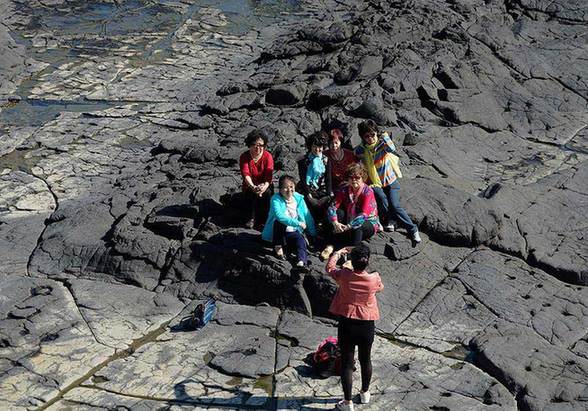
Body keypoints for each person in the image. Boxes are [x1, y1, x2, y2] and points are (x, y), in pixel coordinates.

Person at [326, 245, 384, 411]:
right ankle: (365, 393)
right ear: (367, 261)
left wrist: (337, 254)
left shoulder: (344, 275)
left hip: (347, 323)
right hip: (367, 324)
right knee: (366, 359)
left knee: (347, 363)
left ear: (352, 261)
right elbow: (380, 288)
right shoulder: (374, 278)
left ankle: (347, 402)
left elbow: (329, 269)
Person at [354, 120, 421, 243]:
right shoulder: (361, 150)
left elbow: (391, 148)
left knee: (395, 205)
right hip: (375, 182)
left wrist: (383, 135)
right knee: (381, 198)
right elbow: (355, 157)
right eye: (367, 136)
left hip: (390, 180)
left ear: (376, 133)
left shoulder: (381, 144)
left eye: (372, 135)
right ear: (363, 137)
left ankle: (412, 229)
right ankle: (391, 219)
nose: (370, 138)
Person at [321, 163, 381, 260]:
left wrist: (348, 227)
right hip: (349, 221)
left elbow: (363, 216)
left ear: (363, 178)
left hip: (367, 223)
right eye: (351, 177)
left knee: (358, 226)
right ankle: (330, 246)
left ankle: (351, 256)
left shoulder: (368, 192)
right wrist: (335, 222)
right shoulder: (344, 190)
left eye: (357, 177)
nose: (354, 180)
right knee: (339, 213)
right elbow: (332, 207)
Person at [262, 175, 316, 269]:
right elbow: (279, 216)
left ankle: (301, 262)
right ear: (280, 189)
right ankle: (277, 247)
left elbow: (307, 216)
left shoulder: (298, 198)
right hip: (278, 233)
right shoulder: (275, 199)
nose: (289, 190)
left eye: (291, 187)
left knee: (301, 241)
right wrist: (297, 223)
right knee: (279, 222)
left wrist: (313, 233)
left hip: (293, 231)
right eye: (285, 188)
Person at [239, 129, 274, 229]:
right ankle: (251, 218)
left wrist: (264, 186)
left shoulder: (268, 156)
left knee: (266, 193)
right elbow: (245, 174)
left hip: (265, 184)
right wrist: (253, 186)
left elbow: (269, 175)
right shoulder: (244, 156)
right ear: (249, 144)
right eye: (254, 144)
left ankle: (265, 220)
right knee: (251, 193)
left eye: (261, 145)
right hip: (250, 185)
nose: (257, 147)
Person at [297, 131, 332, 219]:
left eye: (320, 147)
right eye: (314, 146)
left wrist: (327, 195)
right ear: (310, 146)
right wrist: (309, 197)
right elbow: (303, 179)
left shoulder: (326, 160)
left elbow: (328, 179)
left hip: (321, 189)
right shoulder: (303, 160)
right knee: (306, 203)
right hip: (306, 189)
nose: (317, 149)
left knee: (329, 203)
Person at [325, 128, 357, 192]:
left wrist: (349, 182)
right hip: (334, 188)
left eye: (336, 143)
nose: (334, 145)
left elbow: (356, 171)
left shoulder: (349, 154)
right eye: (331, 143)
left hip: (350, 184)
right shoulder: (325, 155)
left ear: (340, 142)